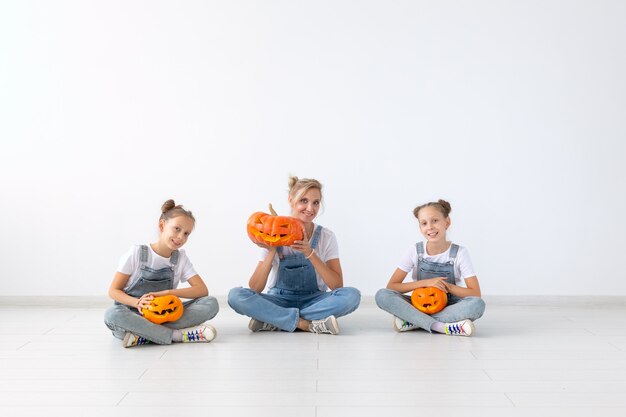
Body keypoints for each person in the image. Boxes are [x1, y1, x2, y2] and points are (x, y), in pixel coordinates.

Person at [228, 176, 361, 335]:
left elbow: (337, 285)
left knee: (352, 296)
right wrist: (272, 250)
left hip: (314, 300)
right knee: (235, 296)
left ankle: (275, 319)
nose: (310, 208)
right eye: (303, 201)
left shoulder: (326, 236)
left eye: (316, 202)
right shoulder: (273, 232)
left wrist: (310, 253)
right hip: (279, 300)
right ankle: (305, 324)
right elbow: (255, 287)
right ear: (291, 200)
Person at [104, 199, 219, 347]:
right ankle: (177, 335)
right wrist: (137, 302)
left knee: (211, 303)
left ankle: (145, 335)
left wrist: (167, 293)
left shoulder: (180, 258)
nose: (181, 237)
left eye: (186, 233)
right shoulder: (137, 253)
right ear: (162, 225)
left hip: (166, 316)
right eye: (177, 229)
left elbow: (202, 290)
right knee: (112, 315)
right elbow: (113, 291)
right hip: (134, 315)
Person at [375, 199, 485, 336]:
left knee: (477, 305)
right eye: (424, 223)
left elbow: (475, 293)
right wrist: (427, 282)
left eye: (435, 221)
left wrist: (447, 286)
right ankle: (440, 326)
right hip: (419, 304)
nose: (430, 227)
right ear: (420, 228)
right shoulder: (414, 250)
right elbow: (392, 286)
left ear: (447, 222)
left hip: (448, 306)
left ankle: (413, 321)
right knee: (382, 295)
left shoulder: (460, 253)